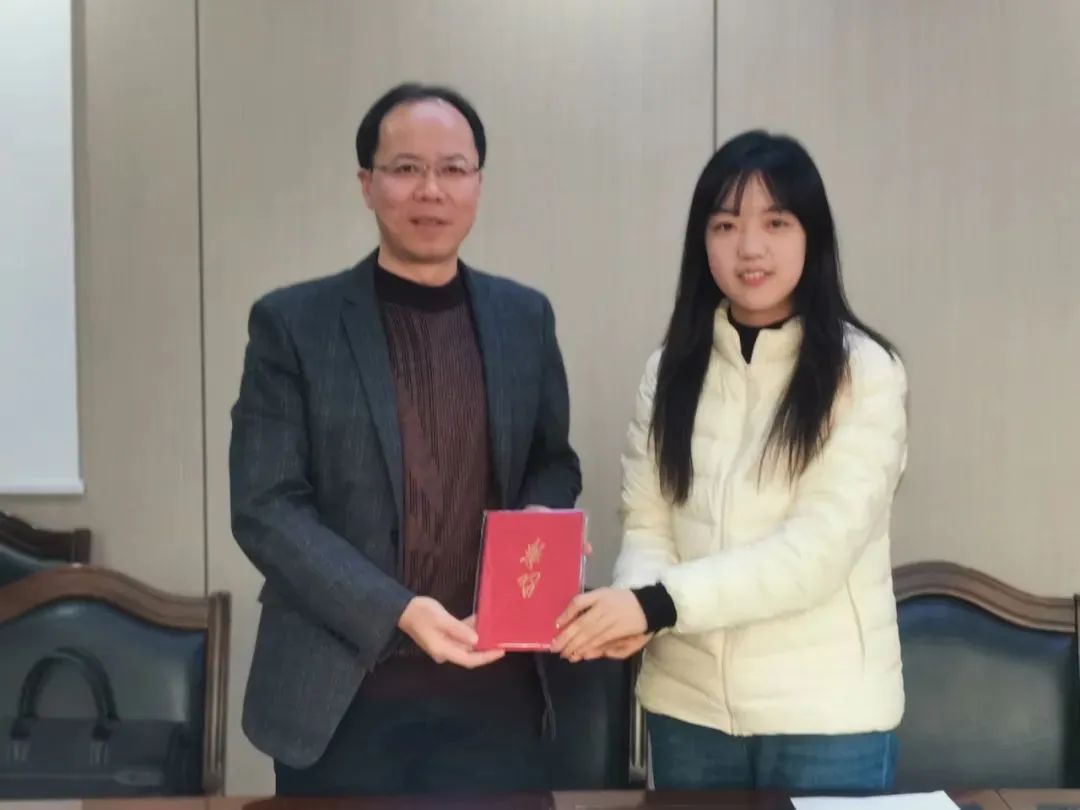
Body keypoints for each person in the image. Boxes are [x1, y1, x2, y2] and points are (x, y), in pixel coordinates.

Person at [229, 82, 581, 796]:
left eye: (453, 169)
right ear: (367, 184)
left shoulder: (525, 318)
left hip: (497, 691)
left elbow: (551, 460)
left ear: (478, 184)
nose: (431, 190)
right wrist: (395, 609)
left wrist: (543, 521)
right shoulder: (293, 325)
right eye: (406, 168)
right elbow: (266, 505)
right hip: (342, 694)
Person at [553, 130, 908, 791]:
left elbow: (816, 553)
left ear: (812, 237)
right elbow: (648, 523)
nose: (750, 247)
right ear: (703, 242)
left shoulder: (864, 373)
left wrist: (656, 606)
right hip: (688, 716)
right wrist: (634, 606)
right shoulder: (669, 371)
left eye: (776, 222)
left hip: (827, 720)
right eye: (725, 225)